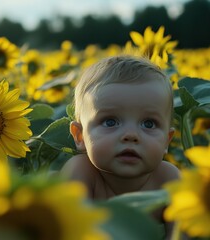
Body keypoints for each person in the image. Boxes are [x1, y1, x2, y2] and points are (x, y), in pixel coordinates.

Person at [60, 55, 180, 238]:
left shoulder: (168, 180)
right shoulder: (81, 172)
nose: (131, 135)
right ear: (80, 136)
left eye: (148, 124)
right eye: (110, 122)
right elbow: (71, 230)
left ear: (167, 141)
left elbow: (182, 234)